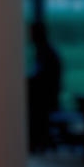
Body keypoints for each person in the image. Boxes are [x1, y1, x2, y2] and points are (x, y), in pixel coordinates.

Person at [27, 22, 62, 152]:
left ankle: (35, 142)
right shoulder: (43, 52)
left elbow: (42, 80)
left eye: (31, 33)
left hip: (46, 100)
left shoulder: (47, 54)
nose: (29, 37)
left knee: (31, 109)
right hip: (44, 98)